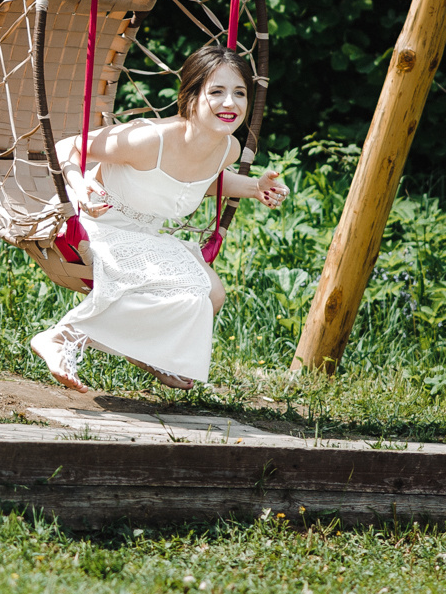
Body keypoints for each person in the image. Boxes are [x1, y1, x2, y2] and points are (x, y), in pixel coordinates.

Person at [29, 43, 287, 392]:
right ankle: (62, 337)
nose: (231, 103)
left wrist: (255, 187)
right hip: (95, 222)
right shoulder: (147, 139)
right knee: (185, 287)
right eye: (217, 92)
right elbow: (66, 148)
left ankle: (146, 352)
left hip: (144, 233)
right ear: (191, 96)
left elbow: (200, 181)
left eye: (239, 93)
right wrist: (79, 184)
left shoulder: (228, 148)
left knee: (213, 295)